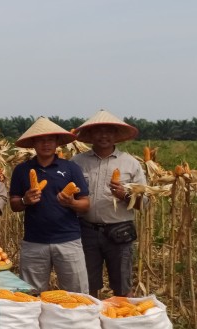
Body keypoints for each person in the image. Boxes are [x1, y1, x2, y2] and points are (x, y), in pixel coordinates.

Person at [8, 116, 90, 293]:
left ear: (57, 143)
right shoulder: (21, 170)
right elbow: (14, 204)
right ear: (33, 144)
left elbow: (85, 205)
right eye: (41, 140)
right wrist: (25, 200)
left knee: (76, 293)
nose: (46, 144)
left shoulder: (71, 168)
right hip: (34, 242)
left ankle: (74, 321)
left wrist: (72, 203)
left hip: (68, 241)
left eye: (50, 140)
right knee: (31, 295)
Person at [71, 110, 147, 297]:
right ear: (90, 135)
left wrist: (125, 196)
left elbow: (145, 202)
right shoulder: (77, 162)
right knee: (87, 285)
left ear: (116, 136)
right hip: (85, 230)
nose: (104, 135)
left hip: (120, 232)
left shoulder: (131, 164)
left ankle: (121, 321)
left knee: (122, 286)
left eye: (109, 131)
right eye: (99, 131)